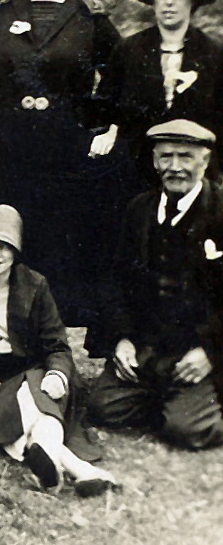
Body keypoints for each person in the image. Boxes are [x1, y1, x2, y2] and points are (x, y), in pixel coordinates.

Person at [0, 0, 122, 329]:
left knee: (56, 236)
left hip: (63, 148)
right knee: (4, 228)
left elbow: (120, 71)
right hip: (3, 145)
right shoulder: (1, 12)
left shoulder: (90, 17)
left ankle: (48, 335)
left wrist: (101, 124)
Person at [0, 205, 116, 496]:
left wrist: (57, 374)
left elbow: (56, 344)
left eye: (5, 247)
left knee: (37, 396)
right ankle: (77, 468)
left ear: (16, 251)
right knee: (3, 410)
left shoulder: (34, 284)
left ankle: (51, 462)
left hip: (34, 372)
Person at [89, 119, 223, 450]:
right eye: (166, 157)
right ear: (154, 161)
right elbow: (115, 281)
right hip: (149, 346)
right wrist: (121, 339)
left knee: (187, 431)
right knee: (102, 408)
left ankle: (190, 402)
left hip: (197, 350)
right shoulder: (139, 209)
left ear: (204, 161)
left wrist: (210, 352)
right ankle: (170, 398)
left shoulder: (220, 210)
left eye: (185, 157)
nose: (174, 167)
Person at [90, 0, 223, 187]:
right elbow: (105, 110)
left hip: (196, 180)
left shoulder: (214, 54)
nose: (169, 1)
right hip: (134, 177)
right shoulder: (128, 51)